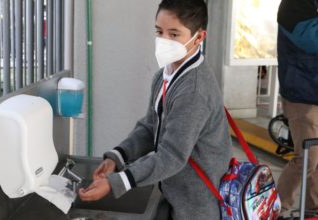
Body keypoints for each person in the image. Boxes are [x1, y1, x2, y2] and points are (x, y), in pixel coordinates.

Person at [78, 0, 232, 219]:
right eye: (159, 31)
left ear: (199, 37)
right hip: (174, 193)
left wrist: (117, 182)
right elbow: (151, 125)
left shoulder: (194, 90)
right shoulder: (165, 75)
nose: (163, 41)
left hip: (197, 205)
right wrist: (118, 156)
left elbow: (171, 156)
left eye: (174, 34)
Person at [276, 0, 318, 219]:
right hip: (302, 94)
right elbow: (311, 39)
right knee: (307, 159)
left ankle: (313, 210)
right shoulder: (294, 5)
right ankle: (277, 209)